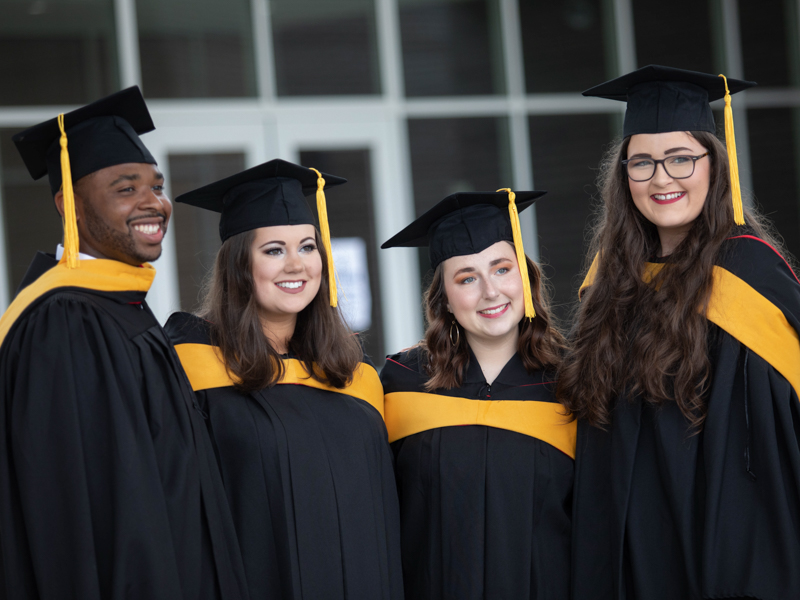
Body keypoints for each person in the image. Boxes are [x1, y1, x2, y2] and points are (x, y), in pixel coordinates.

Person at [559, 65, 800, 600]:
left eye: (681, 159)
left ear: (715, 164)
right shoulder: (608, 281)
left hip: (730, 549)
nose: (661, 179)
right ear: (623, 176)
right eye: (641, 163)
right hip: (633, 554)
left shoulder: (753, 275)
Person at [0, 88, 248, 598]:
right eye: (125, 188)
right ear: (69, 204)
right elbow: (71, 509)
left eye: (156, 186)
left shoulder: (118, 307)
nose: (153, 202)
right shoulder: (64, 321)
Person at [164, 159, 403, 600]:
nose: (297, 264)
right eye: (274, 250)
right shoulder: (192, 366)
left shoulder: (354, 372)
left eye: (308, 247)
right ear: (240, 265)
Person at [380, 190, 575, 599]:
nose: (490, 291)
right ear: (446, 300)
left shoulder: (574, 382)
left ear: (526, 276)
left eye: (502, 269)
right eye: (467, 278)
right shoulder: (401, 381)